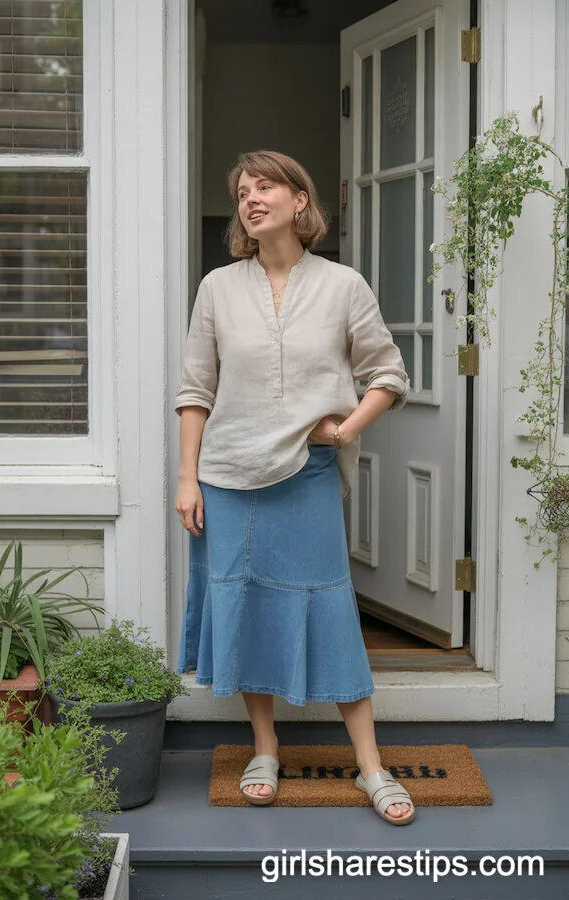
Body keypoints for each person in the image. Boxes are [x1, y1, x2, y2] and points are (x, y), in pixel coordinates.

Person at [173, 150, 414, 825]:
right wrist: (187, 479)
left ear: (300, 199)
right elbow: (195, 390)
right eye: (241, 191)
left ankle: (371, 765)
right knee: (246, 606)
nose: (250, 198)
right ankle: (265, 748)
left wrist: (343, 430)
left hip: (305, 474)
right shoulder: (218, 288)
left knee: (331, 611)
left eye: (265, 186)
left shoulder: (342, 286)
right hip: (227, 476)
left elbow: (388, 373)